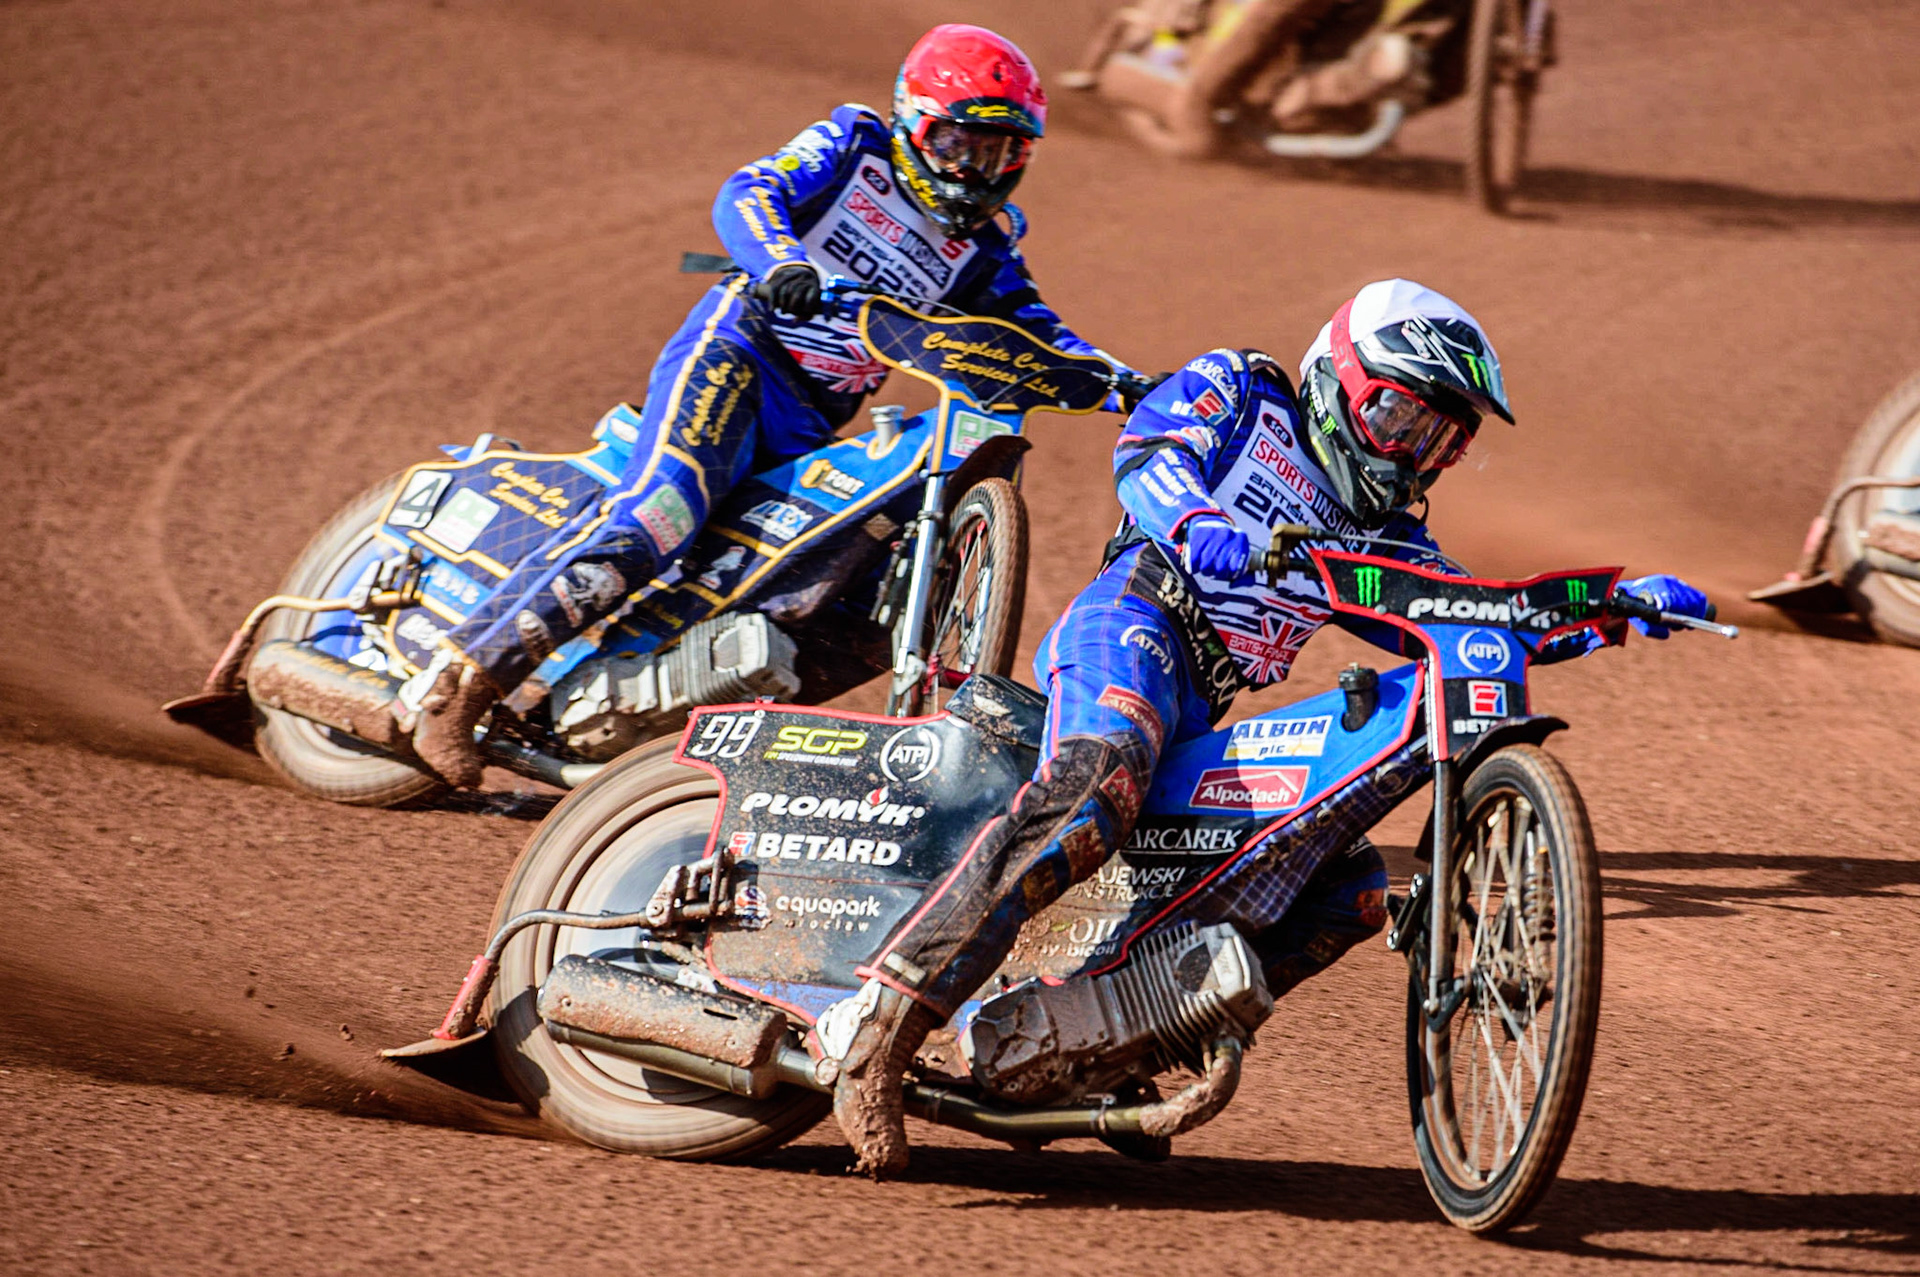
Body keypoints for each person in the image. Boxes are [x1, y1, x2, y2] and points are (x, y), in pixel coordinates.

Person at [822, 278, 1712, 1177]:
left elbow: (1475, 613)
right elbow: (1149, 447)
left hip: (1203, 705)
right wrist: (1199, 520)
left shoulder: (1384, 540)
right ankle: (882, 1031)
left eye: (1441, 439)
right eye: (1401, 419)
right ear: (1337, 379)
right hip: (1133, 623)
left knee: (1352, 886)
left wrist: (1609, 605)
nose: (1412, 456)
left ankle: (1103, 1042)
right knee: (1105, 777)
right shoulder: (1244, 390)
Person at [389, 24, 1139, 787]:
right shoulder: (856, 145)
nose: (975, 169)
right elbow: (750, 191)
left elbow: (1040, 334)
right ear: (915, 121)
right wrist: (782, 259)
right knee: (663, 513)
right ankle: (456, 686)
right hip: (739, 353)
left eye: (998, 151)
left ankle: (660, 724)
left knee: (819, 585)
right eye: (959, 144)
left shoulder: (990, 246)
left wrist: (1127, 386)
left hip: (814, 416)